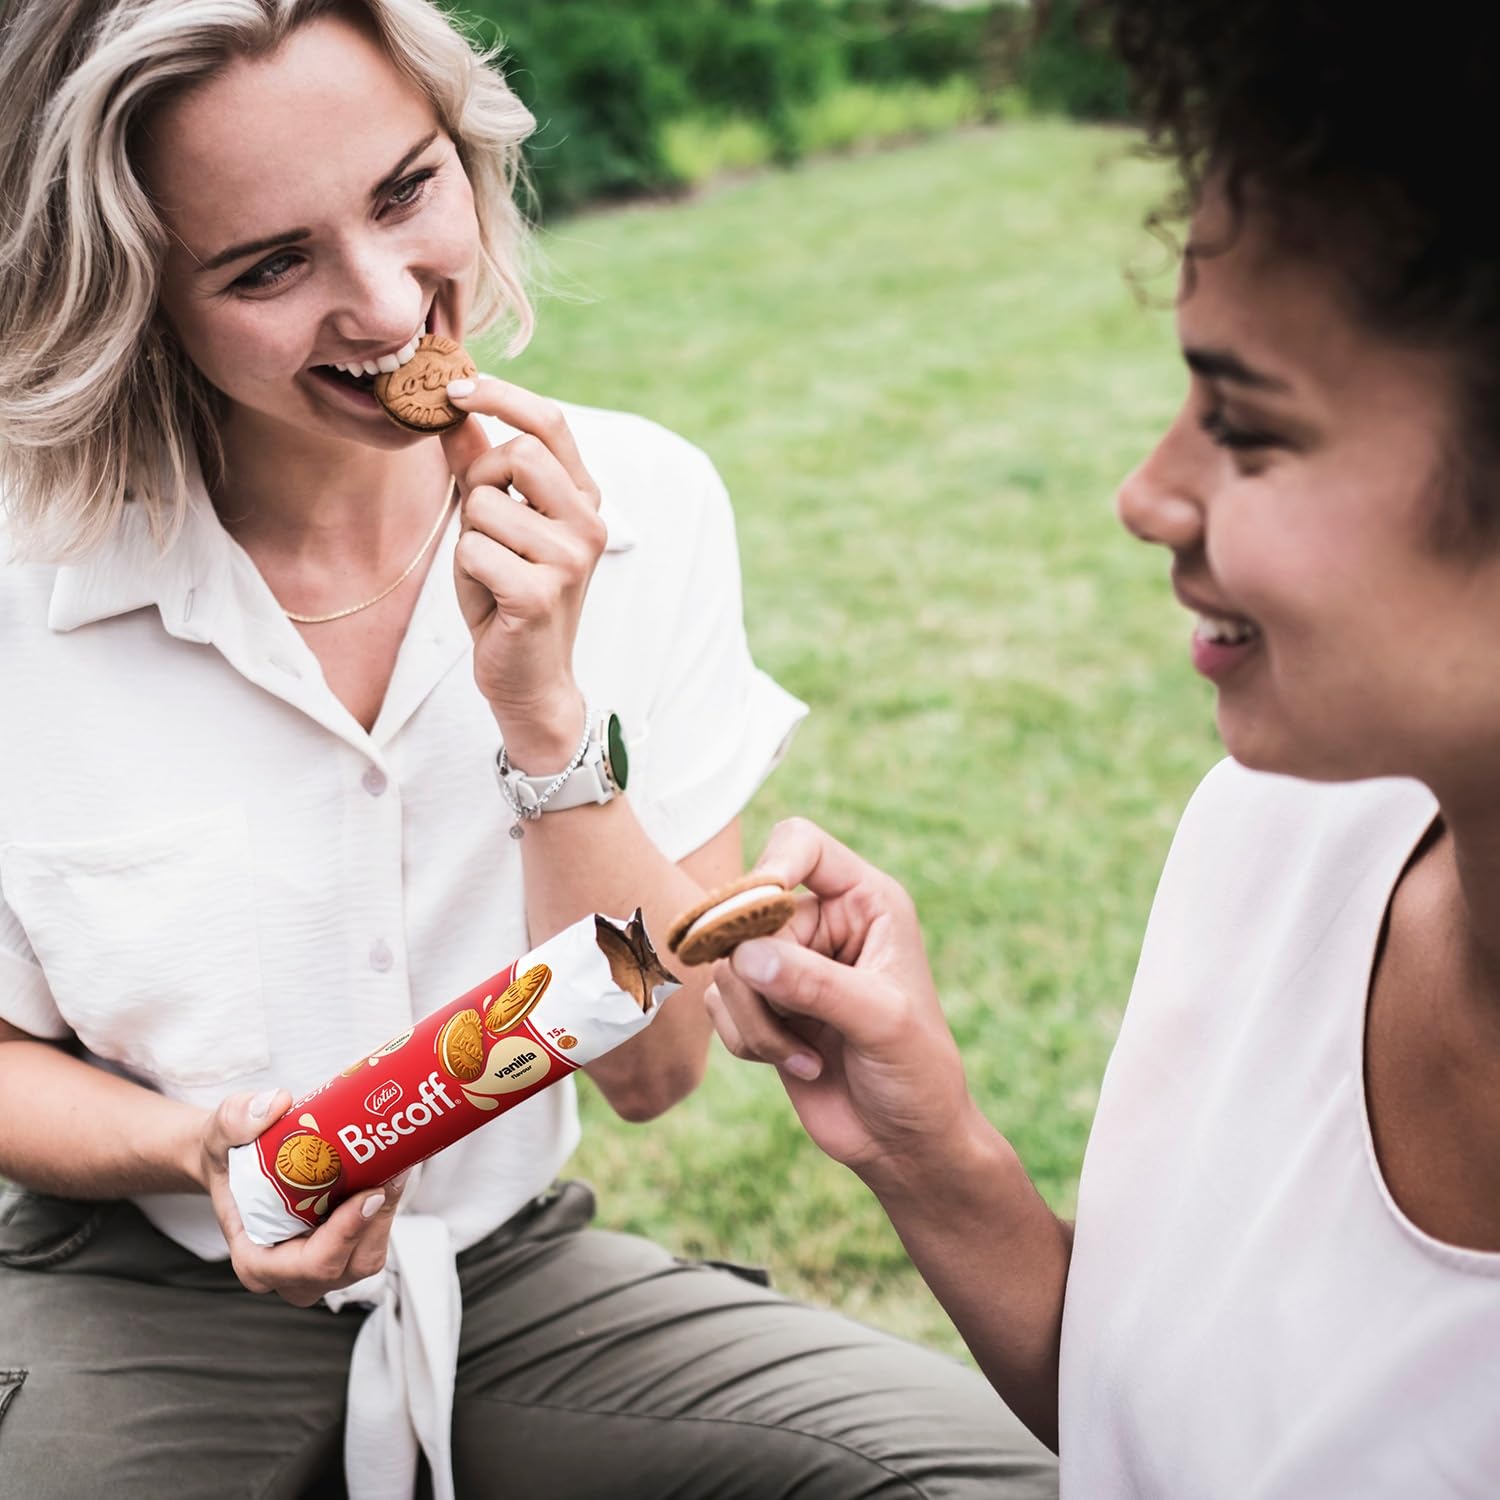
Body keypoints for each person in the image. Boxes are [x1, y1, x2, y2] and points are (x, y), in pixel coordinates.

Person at [0, 2, 1060, 1497]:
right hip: (141, 1290)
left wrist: (544, 710)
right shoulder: (25, 588)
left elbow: (657, 1068)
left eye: (405, 190)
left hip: (506, 1281)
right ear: (135, 299)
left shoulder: (645, 504)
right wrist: (200, 1153)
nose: (388, 306)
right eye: (269, 266)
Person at [704, 3, 1500, 1495]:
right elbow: (1176, 1431)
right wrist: (929, 1150)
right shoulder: (1274, 828)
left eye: (1246, 428)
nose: (1146, 493)